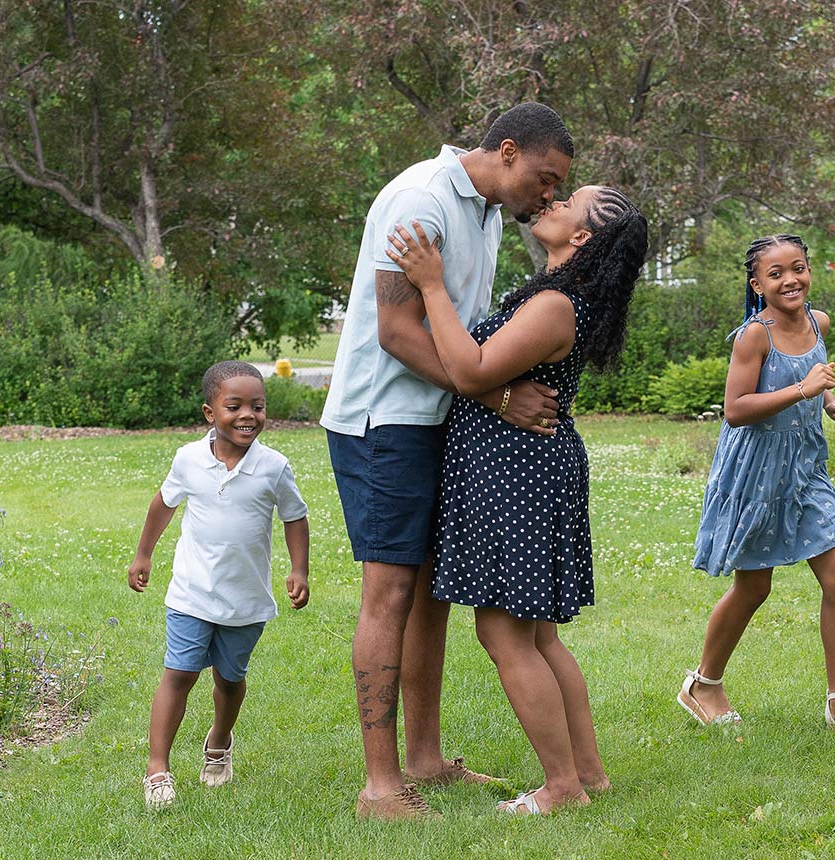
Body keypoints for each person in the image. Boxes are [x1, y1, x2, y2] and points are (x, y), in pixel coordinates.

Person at [321, 103, 574, 820]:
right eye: (545, 178)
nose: (549, 196)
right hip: (385, 422)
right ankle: (379, 787)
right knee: (390, 593)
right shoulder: (419, 201)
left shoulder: (489, 211)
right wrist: (496, 396)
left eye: (557, 187)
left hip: (440, 418)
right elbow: (398, 332)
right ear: (505, 151)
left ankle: (424, 760)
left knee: (431, 592)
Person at [386, 184, 648, 814]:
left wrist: (431, 286)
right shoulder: (555, 294)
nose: (550, 205)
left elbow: (474, 370)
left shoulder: (558, 303)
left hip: (518, 471)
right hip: (525, 466)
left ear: (582, 238)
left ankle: (561, 787)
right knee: (538, 637)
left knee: (506, 635)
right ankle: (589, 774)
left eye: (567, 205)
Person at [677, 234, 835, 734]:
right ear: (757, 284)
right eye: (775, 274)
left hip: (805, 467)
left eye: (798, 268)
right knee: (753, 586)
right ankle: (703, 684)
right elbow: (735, 409)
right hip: (756, 472)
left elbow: (812, 388)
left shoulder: (820, 324)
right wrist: (805, 389)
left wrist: (831, 405)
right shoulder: (754, 336)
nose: (790, 280)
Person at [128, 361, 311, 809]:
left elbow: (295, 516)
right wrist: (144, 554)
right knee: (180, 673)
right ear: (211, 413)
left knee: (230, 680)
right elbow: (163, 504)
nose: (248, 414)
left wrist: (299, 569)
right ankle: (157, 769)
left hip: (245, 600)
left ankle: (219, 740)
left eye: (258, 406)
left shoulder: (274, 467)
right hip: (191, 592)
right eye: (235, 406)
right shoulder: (188, 458)